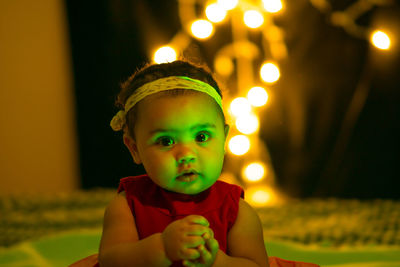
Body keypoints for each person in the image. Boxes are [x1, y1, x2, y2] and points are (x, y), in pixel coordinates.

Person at [70, 59, 319, 267]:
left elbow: (254, 265)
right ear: (134, 149)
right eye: (166, 141)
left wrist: (217, 262)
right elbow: (112, 261)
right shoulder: (127, 205)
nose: (186, 154)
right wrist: (162, 248)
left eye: (201, 137)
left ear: (224, 138)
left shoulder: (237, 210)